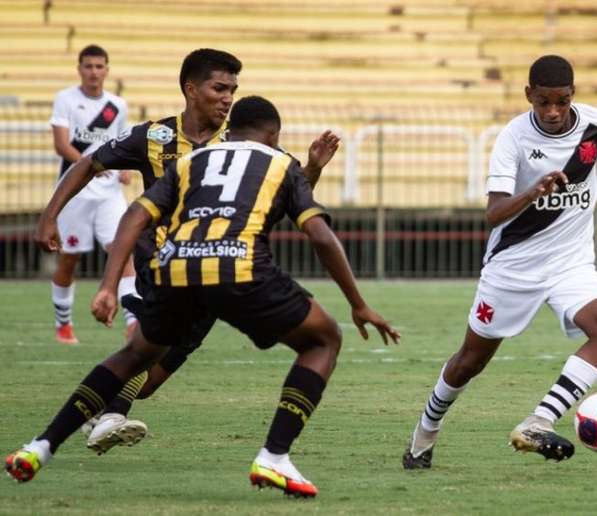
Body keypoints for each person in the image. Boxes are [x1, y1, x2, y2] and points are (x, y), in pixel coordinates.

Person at [6, 95, 400, 498]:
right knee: (324, 339)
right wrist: (358, 303)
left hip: (176, 267)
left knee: (136, 360)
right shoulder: (280, 161)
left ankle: (41, 446)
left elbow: (134, 216)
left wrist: (108, 284)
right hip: (239, 266)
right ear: (274, 135)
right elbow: (318, 233)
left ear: (230, 129)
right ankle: (274, 456)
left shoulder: (190, 162)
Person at [34, 48, 340, 456]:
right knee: (138, 352)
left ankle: (101, 411)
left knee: (149, 378)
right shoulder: (154, 136)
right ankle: (97, 420)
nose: (228, 98)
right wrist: (50, 215)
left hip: (214, 272)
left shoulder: (244, 143)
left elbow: (292, 189)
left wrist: (315, 167)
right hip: (162, 269)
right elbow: (89, 164)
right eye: (219, 88)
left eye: (233, 89)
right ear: (190, 89)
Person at [402, 55, 597, 468]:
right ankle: (424, 433)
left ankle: (538, 420)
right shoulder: (513, 138)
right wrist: (533, 192)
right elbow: (492, 214)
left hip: (571, 264)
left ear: (572, 95)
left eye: (561, 102)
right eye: (543, 102)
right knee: (469, 362)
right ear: (528, 94)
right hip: (513, 267)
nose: (552, 111)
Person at [48, 44, 137, 345]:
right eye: (88, 66)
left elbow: (120, 145)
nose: (94, 72)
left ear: (107, 71)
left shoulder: (117, 106)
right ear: (79, 69)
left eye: (99, 67)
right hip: (76, 192)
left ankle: (133, 323)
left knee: (123, 253)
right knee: (69, 259)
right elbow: (62, 145)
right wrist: (88, 167)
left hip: (109, 193)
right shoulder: (66, 99)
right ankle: (64, 324)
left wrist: (123, 169)